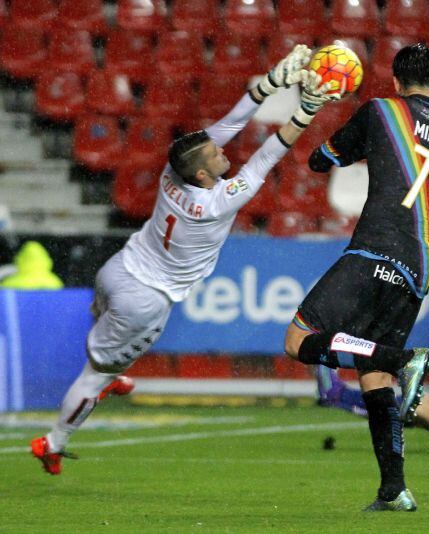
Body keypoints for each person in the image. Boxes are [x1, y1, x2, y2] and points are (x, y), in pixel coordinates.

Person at [30, 45, 340, 475]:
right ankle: (53, 442)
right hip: (147, 299)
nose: (221, 152)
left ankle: (112, 367)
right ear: (202, 174)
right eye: (214, 156)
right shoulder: (215, 202)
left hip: (118, 268)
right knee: (93, 376)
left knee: (106, 338)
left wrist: (270, 83)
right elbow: (266, 157)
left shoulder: (170, 171)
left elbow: (227, 126)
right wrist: (305, 112)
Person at [283, 43, 429, 511]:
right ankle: (393, 488)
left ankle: (404, 360)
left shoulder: (380, 111)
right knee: (373, 375)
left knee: (299, 340)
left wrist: (343, 137)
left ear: (396, 82)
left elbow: (321, 160)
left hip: (373, 249)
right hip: (418, 269)